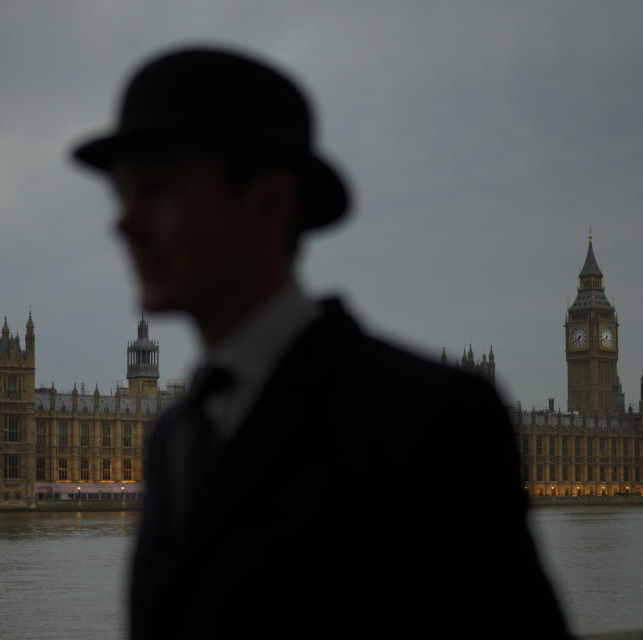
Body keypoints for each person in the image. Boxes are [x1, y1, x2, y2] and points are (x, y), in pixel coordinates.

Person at [71, 46, 570, 639]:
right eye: (122, 195)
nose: (124, 224)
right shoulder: (173, 435)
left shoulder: (433, 418)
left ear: (271, 202)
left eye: (157, 189)